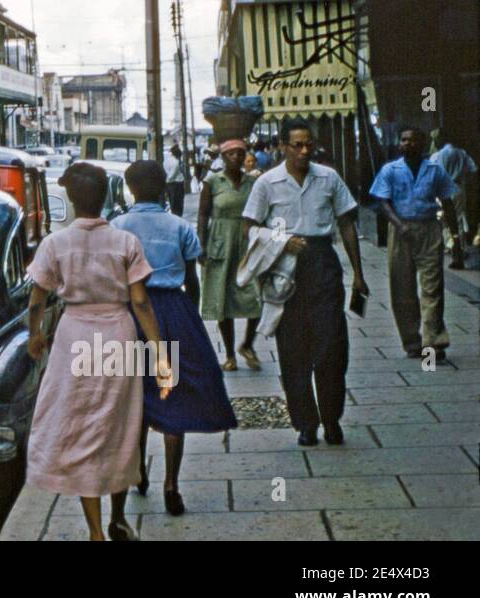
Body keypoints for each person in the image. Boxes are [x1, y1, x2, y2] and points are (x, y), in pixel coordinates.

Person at [23, 162, 169, 541]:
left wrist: (34, 335)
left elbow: (37, 300)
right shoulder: (124, 243)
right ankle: (117, 518)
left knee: (83, 427)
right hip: (118, 336)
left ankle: (93, 530)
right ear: (106, 198)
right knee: (118, 426)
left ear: (71, 200)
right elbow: (140, 302)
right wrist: (158, 350)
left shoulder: (55, 244)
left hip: (75, 338)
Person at [114, 161, 237, 515]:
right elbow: (192, 278)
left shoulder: (119, 226)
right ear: (164, 187)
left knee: (135, 393)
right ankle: (171, 483)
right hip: (174, 309)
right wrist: (191, 315)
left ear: (131, 188)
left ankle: (138, 471)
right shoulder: (179, 226)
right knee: (174, 394)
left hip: (132, 312)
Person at [242, 118, 367, 447]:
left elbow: (347, 224)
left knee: (331, 348)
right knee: (294, 350)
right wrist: (282, 240)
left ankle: (331, 419)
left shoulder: (329, 178)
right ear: (283, 146)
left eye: (308, 144)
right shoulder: (267, 183)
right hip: (286, 271)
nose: (303, 150)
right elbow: (250, 228)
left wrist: (359, 275)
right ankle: (305, 423)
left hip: (323, 264)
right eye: (296, 144)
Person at [370, 127, 464, 360]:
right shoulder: (390, 170)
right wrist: (398, 224)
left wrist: (455, 237)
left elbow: (448, 201)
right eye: (404, 140)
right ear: (399, 144)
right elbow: (382, 201)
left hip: (428, 230)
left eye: (413, 140)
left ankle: (433, 341)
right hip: (400, 231)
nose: (408, 144)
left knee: (432, 286)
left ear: (422, 144)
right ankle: (411, 341)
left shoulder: (435, 171)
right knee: (402, 287)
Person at [199, 139, 263, 371]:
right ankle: (229, 354)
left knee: (256, 295)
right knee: (223, 298)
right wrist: (202, 245)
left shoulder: (253, 183)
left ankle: (247, 344)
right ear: (223, 158)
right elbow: (203, 215)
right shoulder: (213, 182)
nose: (236, 158)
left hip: (247, 244)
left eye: (240, 154)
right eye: (231, 154)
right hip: (220, 242)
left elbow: (262, 211)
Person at [431, 132, 477, 264]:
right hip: (458, 188)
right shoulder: (461, 153)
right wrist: (464, 180)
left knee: (444, 219)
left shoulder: (437, 155)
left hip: (442, 189)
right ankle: (459, 247)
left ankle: (452, 246)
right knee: (458, 218)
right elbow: (473, 169)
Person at [163, 144, 187, 216]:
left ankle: (174, 215)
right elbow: (172, 175)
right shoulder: (176, 162)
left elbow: (167, 172)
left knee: (172, 202)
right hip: (177, 184)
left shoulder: (166, 160)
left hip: (170, 185)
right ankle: (178, 217)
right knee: (178, 204)